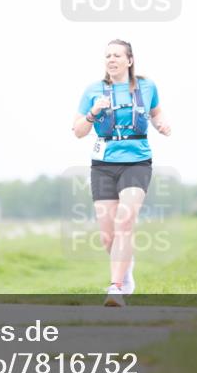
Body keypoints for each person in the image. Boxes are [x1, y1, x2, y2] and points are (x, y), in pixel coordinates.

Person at [72, 39, 171, 307]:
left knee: (124, 222)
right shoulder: (93, 90)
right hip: (103, 164)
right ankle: (125, 270)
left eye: (116, 55)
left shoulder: (147, 86)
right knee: (108, 236)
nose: (111, 60)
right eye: (107, 56)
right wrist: (94, 113)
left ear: (129, 60)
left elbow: (156, 111)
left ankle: (115, 288)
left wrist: (160, 123)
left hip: (137, 162)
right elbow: (78, 130)